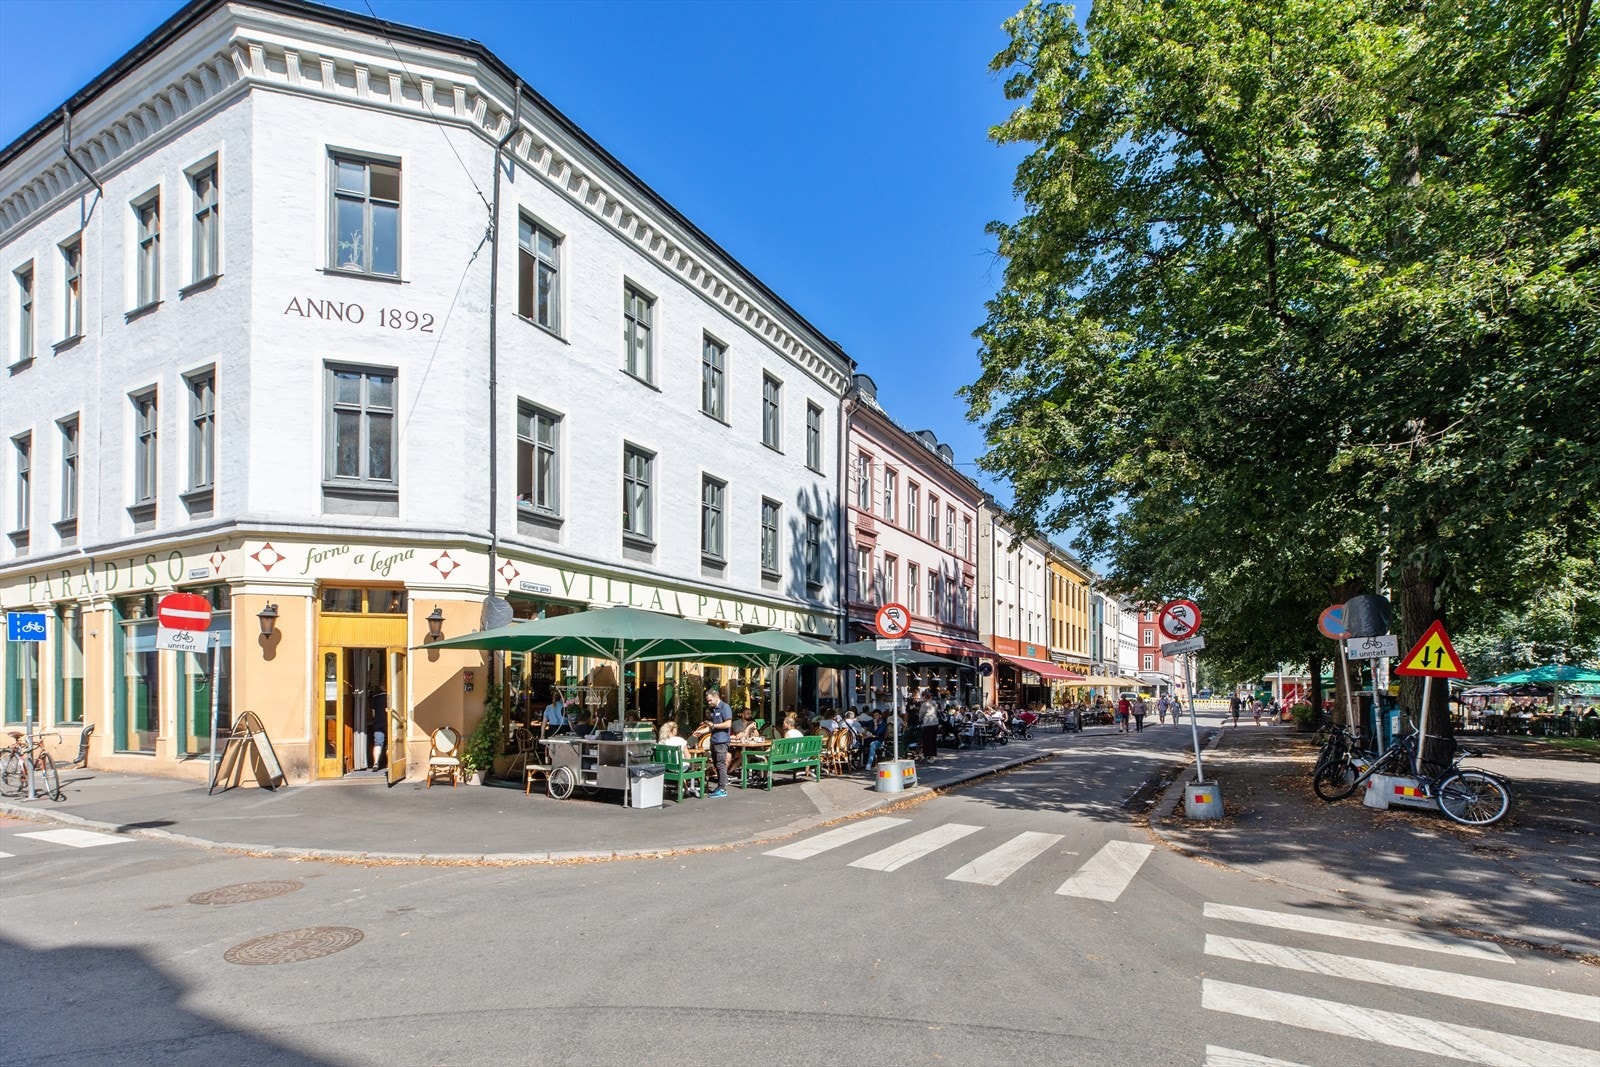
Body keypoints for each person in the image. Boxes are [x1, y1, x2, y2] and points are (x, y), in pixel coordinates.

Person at [704, 685, 733, 797]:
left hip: (722, 740)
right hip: (714, 740)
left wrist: (714, 725)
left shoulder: (725, 707)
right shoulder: (713, 709)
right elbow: (711, 726)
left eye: (710, 700)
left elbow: (728, 724)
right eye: (707, 701)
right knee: (716, 764)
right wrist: (702, 732)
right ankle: (719, 787)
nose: (709, 703)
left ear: (716, 697)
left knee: (721, 764)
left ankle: (722, 788)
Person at [920, 689, 940, 761]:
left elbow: (921, 714)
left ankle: (929, 756)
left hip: (928, 723)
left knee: (927, 740)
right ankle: (931, 755)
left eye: (922, 696)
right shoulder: (934, 702)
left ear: (925, 696)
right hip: (935, 723)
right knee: (933, 740)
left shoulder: (924, 704)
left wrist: (920, 720)